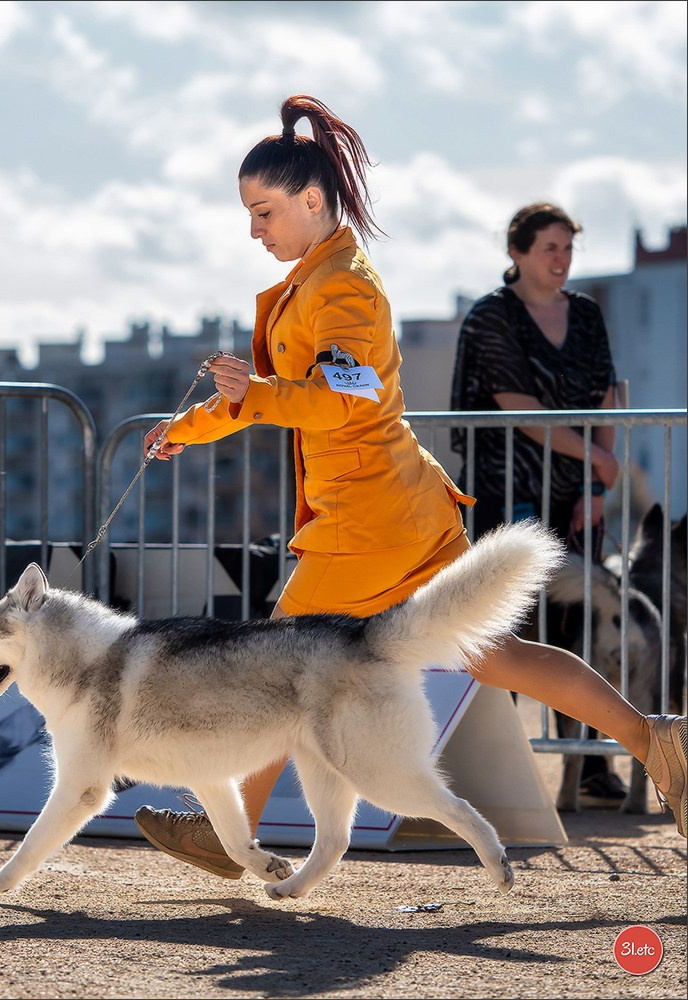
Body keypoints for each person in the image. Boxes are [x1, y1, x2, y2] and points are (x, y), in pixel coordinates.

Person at [133, 96, 687, 879]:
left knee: (273, 665)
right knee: (494, 656)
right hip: (394, 508)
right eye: (249, 214)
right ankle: (656, 740)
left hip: (369, 518)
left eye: (262, 212)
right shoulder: (321, 280)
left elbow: (339, 400)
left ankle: (226, 835)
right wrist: (186, 428)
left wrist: (250, 393)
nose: (254, 230)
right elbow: (286, 396)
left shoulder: (345, 291)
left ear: (312, 200)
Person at [449, 203, 624, 806]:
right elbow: (516, 406)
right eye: (549, 247)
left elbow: (607, 395)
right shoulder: (489, 317)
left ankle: (592, 767)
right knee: (503, 633)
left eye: (568, 248)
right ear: (517, 252)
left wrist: (598, 485)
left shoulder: (587, 315)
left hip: (574, 494)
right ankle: (495, 775)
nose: (561, 259)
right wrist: (596, 460)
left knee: (583, 626)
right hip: (506, 492)